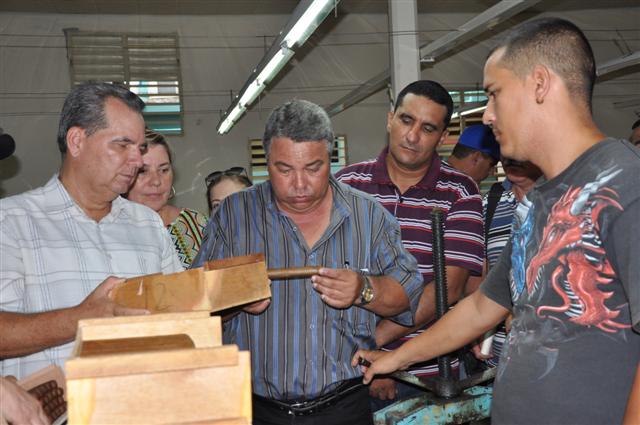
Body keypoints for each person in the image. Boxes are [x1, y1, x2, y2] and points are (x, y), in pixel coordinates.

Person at [354, 17, 640, 425]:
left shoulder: (625, 182)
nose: (487, 115)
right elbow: (480, 307)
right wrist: (394, 359)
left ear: (539, 84)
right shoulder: (543, 198)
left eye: (494, 94)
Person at [193, 99, 423, 425]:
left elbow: (408, 293)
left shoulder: (368, 216)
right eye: (284, 169)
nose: (299, 184)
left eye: (313, 168)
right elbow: (195, 304)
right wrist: (236, 296)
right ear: (265, 160)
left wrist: (364, 289)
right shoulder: (234, 216)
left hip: (345, 406)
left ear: (330, 158)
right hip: (256, 410)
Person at [0, 82, 183, 378]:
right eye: (122, 145)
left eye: (140, 148)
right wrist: (79, 319)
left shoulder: (147, 225)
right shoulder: (11, 221)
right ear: (76, 141)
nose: (137, 161)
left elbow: (180, 312)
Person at [335, 80, 484, 407]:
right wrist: (364, 352)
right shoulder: (345, 186)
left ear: (443, 138)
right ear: (390, 118)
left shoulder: (460, 193)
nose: (412, 136)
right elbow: (330, 275)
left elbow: (449, 288)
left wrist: (381, 349)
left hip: (428, 376)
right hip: (346, 373)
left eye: (428, 128)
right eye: (406, 120)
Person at [466, 158, 542, 366]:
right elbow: (480, 278)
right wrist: (474, 326)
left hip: (549, 364)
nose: (511, 156)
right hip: (496, 363)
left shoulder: (568, 205)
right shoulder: (489, 205)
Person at [126, 128, 208, 268]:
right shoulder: (110, 229)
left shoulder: (198, 224)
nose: (156, 181)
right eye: (143, 171)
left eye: (164, 170)